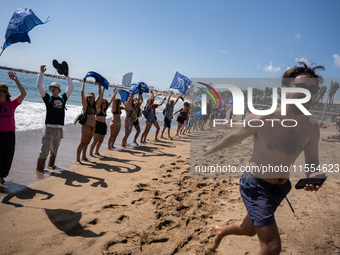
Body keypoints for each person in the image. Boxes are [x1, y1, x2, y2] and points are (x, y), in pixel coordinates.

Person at [203, 61, 326, 254]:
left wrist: (315, 176)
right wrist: (212, 148)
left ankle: (221, 231)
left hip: (281, 189)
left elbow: (312, 163)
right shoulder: (263, 117)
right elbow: (234, 137)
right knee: (272, 247)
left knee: (250, 229)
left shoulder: (311, 127)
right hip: (255, 185)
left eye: (313, 90)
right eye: (301, 87)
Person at [36, 64, 73, 171]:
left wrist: (66, 76)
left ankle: (51, 164)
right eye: (51, 87)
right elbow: (39, 86)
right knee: (44, 148)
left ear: (58, 90)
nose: (52, 88)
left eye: (55, 87)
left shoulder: (63, 98)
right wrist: (41, 73)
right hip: (49, 128)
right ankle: (40, 168)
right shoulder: (47, 98)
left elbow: (71, 87)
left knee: (55, 148)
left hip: (59, 128)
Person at [0, 71, 27, 186]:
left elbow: (23, 93)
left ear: (5, 93)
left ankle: (1, 175)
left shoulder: (12, 104)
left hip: (10, 134)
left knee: (8, 157)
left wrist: (16, 80)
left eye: (0, 92)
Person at [76, 79, 103, 164]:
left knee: (87, 142)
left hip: (93, 127)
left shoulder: (95, 106)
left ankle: (84, 156)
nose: (91, 99)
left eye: (92, 97)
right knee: (82, 142)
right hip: (86, 126)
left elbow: (101, 95)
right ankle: (78, 159)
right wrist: (83, 83)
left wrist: (99, 85)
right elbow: (81, 92)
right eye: (89, 97)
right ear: (87, 98)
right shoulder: (85, 105)